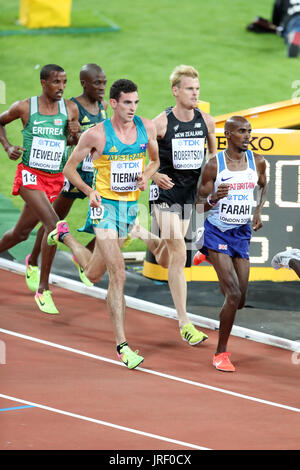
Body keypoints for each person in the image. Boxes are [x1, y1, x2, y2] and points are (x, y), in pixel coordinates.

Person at [46, 79, 160, 369]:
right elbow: (69, 168)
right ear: (113, 103)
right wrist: (89, 192)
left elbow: (155, 161)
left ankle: (65, 236)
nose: (132, 108)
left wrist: (146, 175)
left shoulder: (146, 129)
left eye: (136, 102)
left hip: (129, 209)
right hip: (104, 209)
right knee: (118, 273)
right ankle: (123, 346)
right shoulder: (96, 135)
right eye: (127, 103)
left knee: (93, 273)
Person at [130, 65, 217, 347]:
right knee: (180, 252)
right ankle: (184, 323)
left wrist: (212, 190)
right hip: (164, 193)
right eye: (190, 89)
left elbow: (214, 159)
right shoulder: (160, 123)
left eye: (198, 89)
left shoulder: (206, 121)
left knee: (168, 258)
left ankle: (139, 232)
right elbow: (138, 152)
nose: (195, 93)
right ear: (176, 91)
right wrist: (153, 174)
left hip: (189, 195)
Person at [0, 64, 79, 314]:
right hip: (29, 176)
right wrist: (7, 146)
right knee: (54, 226)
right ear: (44, 83)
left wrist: (74, 135)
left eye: (64, 82)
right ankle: (43, 289)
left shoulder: (70, 109)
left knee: (21, 233)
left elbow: (69, 141)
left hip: (54, 179)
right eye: (56, 82)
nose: (61, 87)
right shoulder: (24, 107)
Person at [25, 63, 108, 294]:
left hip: (95, 175)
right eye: (97, 83)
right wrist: (73, 134)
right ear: (84, 83)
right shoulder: (71, 106)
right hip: (73, 175)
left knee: (109, 219)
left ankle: (85, 258)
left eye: (104, 82)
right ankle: (34, 263)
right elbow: (59, 139)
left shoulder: (102, 106)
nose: (102, 87)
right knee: (54, 223)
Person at [194, 116, 268, 372]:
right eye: (241, 131)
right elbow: (197, 205)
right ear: (228, 134)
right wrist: (214, 199)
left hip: (241, 232)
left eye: (249, 131)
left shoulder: (257, 162)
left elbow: (263, 186)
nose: (247, 136)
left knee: (241, 299)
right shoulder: (215, 166)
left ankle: (206, 256)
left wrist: (257, 210)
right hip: (217, 231)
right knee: (233, 294)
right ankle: (220, 353)